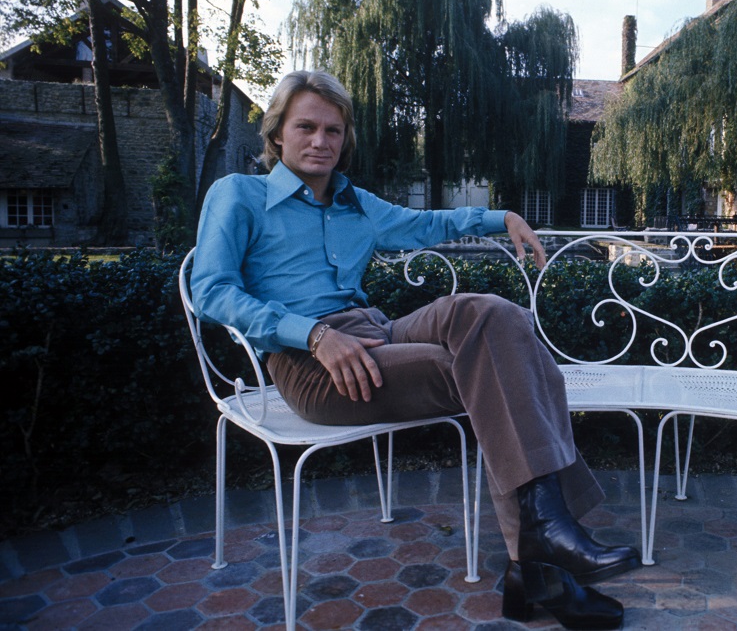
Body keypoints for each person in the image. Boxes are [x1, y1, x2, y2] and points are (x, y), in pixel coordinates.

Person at [190, 70, 637, 629]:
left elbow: (426, 223)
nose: (320, 141)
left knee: (497, 318)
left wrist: (499, 217)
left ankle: (540, 554)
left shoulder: (355, 203)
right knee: (496, 373)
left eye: (333, 130)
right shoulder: (239, 194)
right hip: (312, 362)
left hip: (376, 331)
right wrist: (312, 334)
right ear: (278, 132)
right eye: (306, 127)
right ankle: (541, 560)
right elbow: (209, 291)